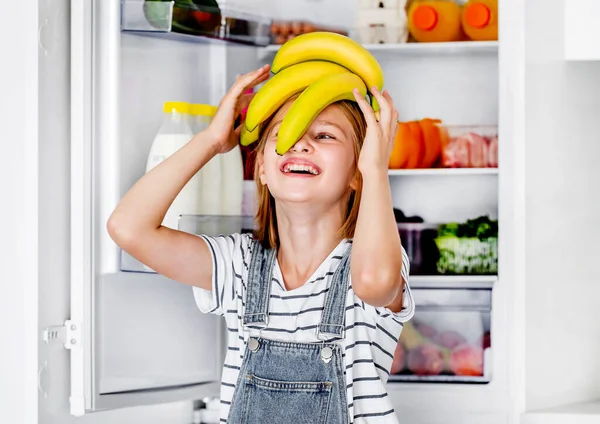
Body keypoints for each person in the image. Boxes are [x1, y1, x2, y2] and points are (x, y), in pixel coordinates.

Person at [107, 64, 415, 423]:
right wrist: (211, 142)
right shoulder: (239, 264)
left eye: (325, 136)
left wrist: (377, 170)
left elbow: (377, 282)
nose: (301, 143)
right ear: (263, 170)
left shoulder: (369, 263)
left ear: (355, 173)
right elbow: (127, 228)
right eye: (284, 135)